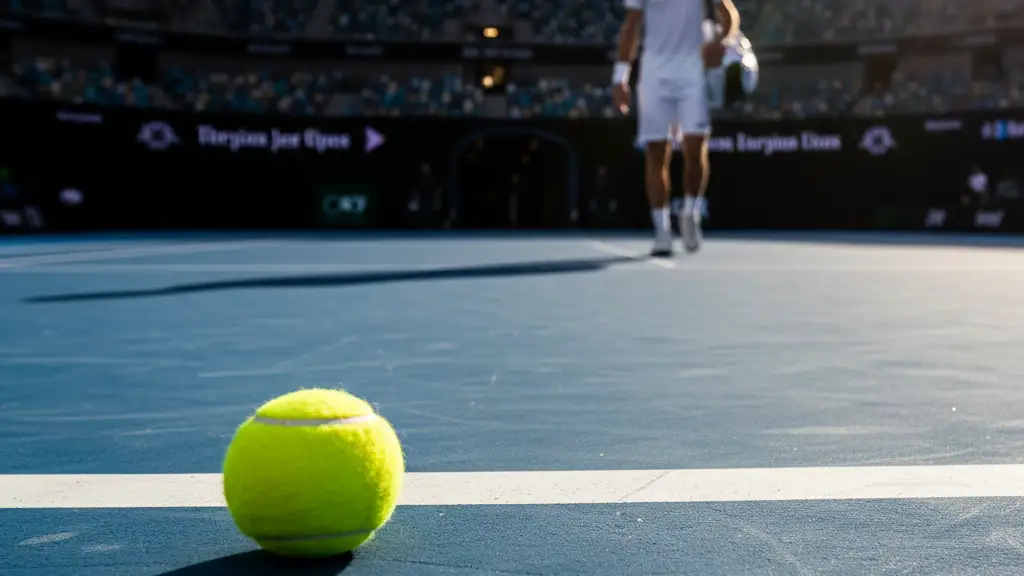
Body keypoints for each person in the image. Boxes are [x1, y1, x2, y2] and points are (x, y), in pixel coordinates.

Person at [613, 0, 739, 256]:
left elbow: (728, 13)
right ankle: (662, 230)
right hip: (653, 76)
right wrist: (620, 77)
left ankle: (690, 214)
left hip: (692, 75)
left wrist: (721, 42)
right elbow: (631, 26)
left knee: (696, 149)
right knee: (657, 153)